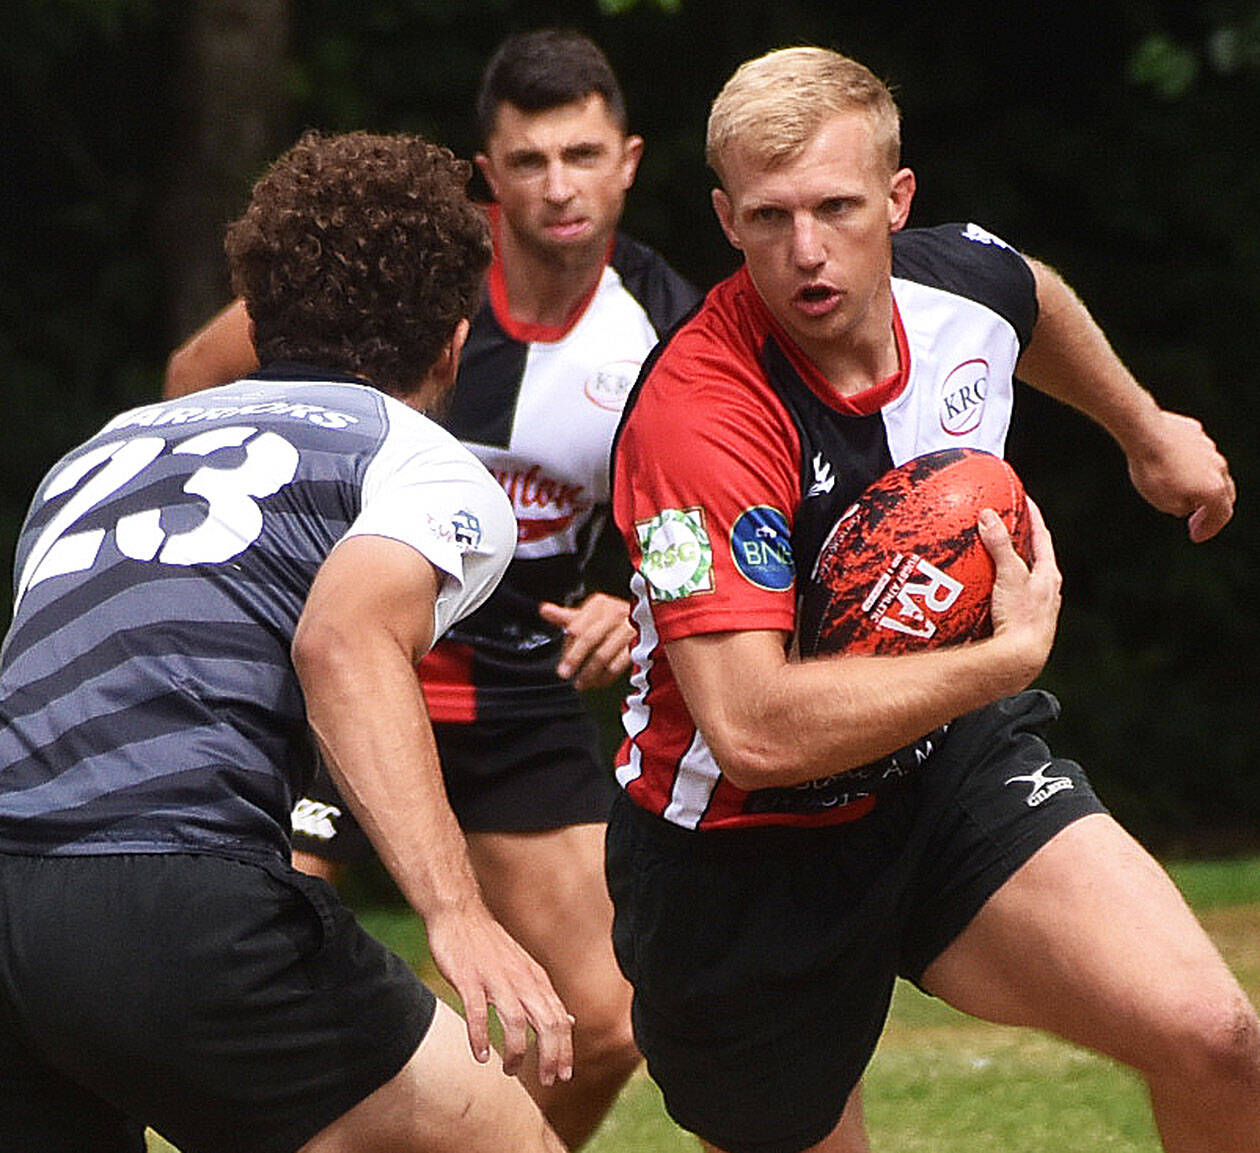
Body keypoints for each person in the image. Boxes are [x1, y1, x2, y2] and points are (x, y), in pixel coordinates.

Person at [607, 46, 1258, 1153]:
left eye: (837, 208)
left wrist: (1147, 434)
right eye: (768, 218)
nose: (806, 252)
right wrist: (1003, 664)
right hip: (740, 851)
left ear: (898, 202)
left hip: (946, 762)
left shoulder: (959, 284)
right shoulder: (697, 416)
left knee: (1217, 1035)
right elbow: (753, 728)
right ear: (724, 217)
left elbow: (1032, 292)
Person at [163, 29, 701, 1150]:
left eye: (583, 155)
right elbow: (197, 378)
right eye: (529, 160)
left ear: (630, 161)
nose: (560, 186)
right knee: (227, 995)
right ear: (485, 175)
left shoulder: (667, 331)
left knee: (613, 1013)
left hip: (509, 688)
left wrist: (634, 598)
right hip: (335, 670)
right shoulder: (411, 287)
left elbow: (699, 517)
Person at [0, 130, 574, 1153]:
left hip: (12, 888)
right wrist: (457, 913)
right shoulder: (420, 465)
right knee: (506, 1142)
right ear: (455, 338)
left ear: (257, 321)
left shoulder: (95, 455)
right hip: (173, 895)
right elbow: (343, 644)